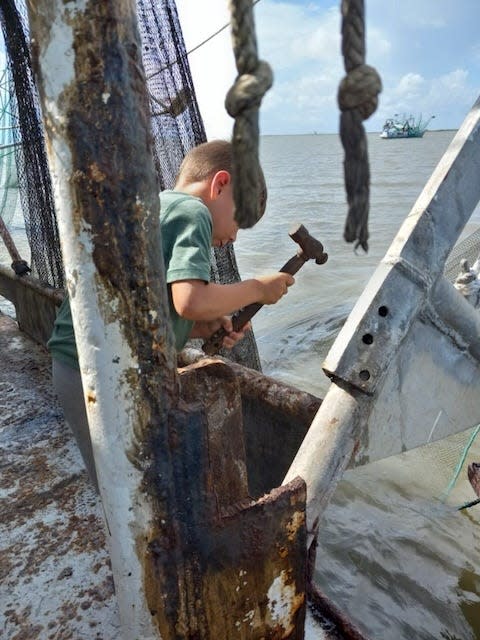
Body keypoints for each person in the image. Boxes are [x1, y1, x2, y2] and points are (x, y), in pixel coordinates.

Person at [48, 139, 295, 489]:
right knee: (130, 487)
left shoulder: (158, 207)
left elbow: (150, 307)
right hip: (98, 370)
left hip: (81, 363)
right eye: (240, 220)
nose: (234, 237)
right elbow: (190, 300)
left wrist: (202, 327)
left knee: (118, 481)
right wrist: (258, 289)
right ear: (220, 184)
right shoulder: (192, 212)